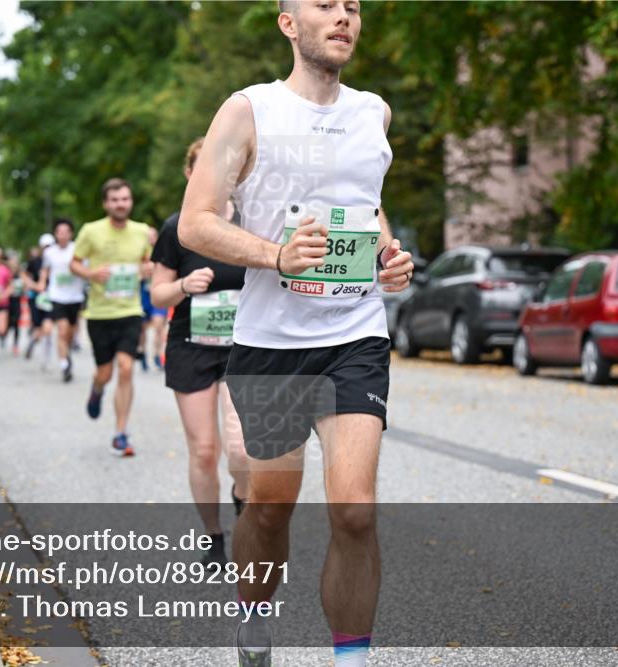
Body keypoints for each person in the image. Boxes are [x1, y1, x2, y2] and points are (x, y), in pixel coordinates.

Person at [177, 2, 414, 665]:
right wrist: (274, 253)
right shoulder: (248, 110)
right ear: (288, 24)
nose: (344, 17)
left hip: (355, 334)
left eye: (354, 7)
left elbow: (365, 205)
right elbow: (196, 222)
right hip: (272, 342)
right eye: (326, 5)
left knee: (355, 509)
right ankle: (254, 616)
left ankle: (351, 657)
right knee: (271, 504)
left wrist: (388, 257)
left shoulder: (374, 113)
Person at [151, 138, 250, 568]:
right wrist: (182, 287)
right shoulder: (177, 228)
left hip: (243, 347)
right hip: (191, 344)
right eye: (204, 166)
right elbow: (157, 294)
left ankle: (243, 502)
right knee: (205, 450)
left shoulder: (250, 221)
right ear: (192, 175)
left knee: (243, 449)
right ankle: (213, 536)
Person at [69, 178, 153, 456]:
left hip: (129, 310)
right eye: (115, 200)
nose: (121, 204)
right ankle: (97, 388)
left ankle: (120, 432)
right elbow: (74, 263)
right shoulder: (91, 231)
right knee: (105, 372)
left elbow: (147, 262)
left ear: (131, 202)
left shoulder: (141, 232)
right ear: (106, 203)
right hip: (99, 313)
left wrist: (147, 269)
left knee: (127, 368)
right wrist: (91, 274)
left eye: (125, 199)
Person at [38, 219, 87, 383]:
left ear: (71, 234)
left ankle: (67, 355)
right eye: (60, 232)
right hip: (57, 296)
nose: (63, 235)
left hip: (75, 297)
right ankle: (64, 364)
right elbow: (45, 270)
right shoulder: (49, 252)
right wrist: (42, 284)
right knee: (62, 330)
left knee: (70, 334)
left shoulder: (78, 250)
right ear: (55, 234)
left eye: (66, 232)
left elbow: (85, 269)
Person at [138, 226, 168, 371]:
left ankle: (157, 354)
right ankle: (143, 352)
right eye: (147, 236)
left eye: (152, 236)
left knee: (158, 326)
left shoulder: (163, 252)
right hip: (144, 294)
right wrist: (143, 271)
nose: (150, 239)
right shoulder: (139, 253)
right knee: (142, 328)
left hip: (158, 293)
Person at [24, 234, 56, 368]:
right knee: (38, 328)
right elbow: (24, 275)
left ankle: (46, 357)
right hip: (36, 298)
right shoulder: (35, 261)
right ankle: (33, 340)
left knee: (48, 328)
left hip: (52, 297)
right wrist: (33, 285)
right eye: (45, 247)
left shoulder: (57, 261)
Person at [6, 252, 25, 356]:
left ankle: (15, 345)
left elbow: (25, 287)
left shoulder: (21, 275)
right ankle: (3, 337)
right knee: (8, 324)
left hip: (17, 302)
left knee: (17, 323)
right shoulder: (6, 274)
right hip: (7, 302)